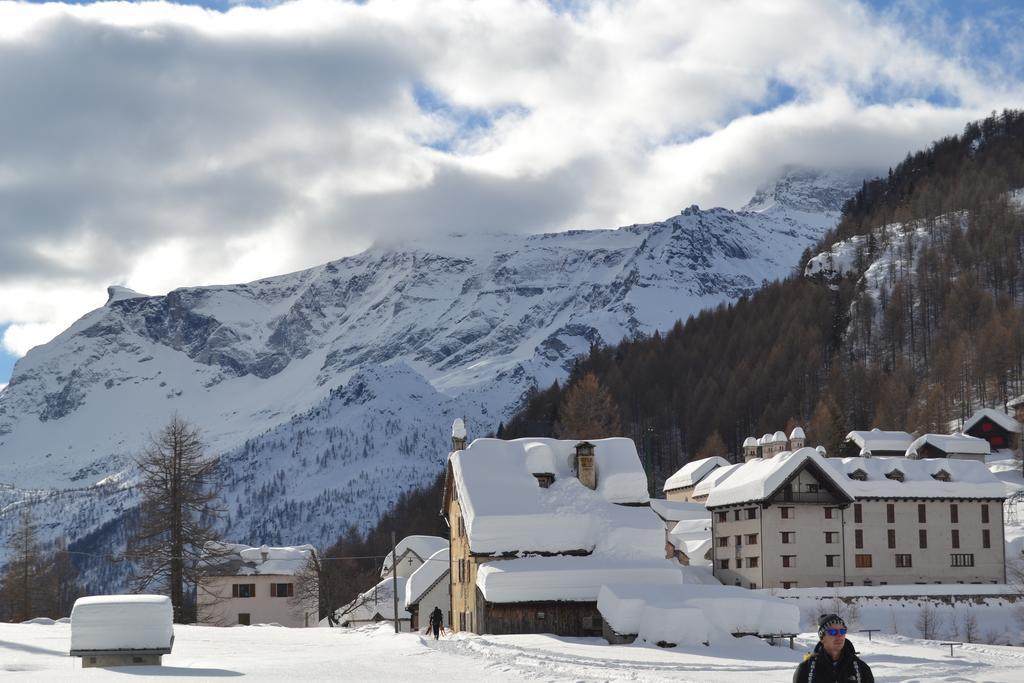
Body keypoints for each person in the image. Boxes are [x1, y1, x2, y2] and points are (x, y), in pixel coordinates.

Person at [793, 613, 874, 683]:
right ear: (822, 638)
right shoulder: (806, 670)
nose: (839, 636)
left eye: (842, 631)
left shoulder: (861, 668)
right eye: (833, 632)